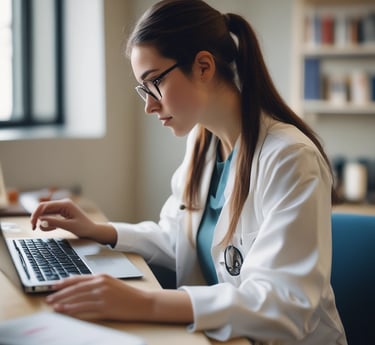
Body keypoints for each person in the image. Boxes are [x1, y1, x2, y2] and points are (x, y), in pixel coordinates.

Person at [30, 1, 347, 344]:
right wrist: (100, 230)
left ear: (203, 66)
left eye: (154, 83)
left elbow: (284, 304)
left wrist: (144, 302)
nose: (149, 105)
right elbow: (178, 238)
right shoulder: (203, 141)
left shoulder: (290, 158)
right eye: (143, 89)